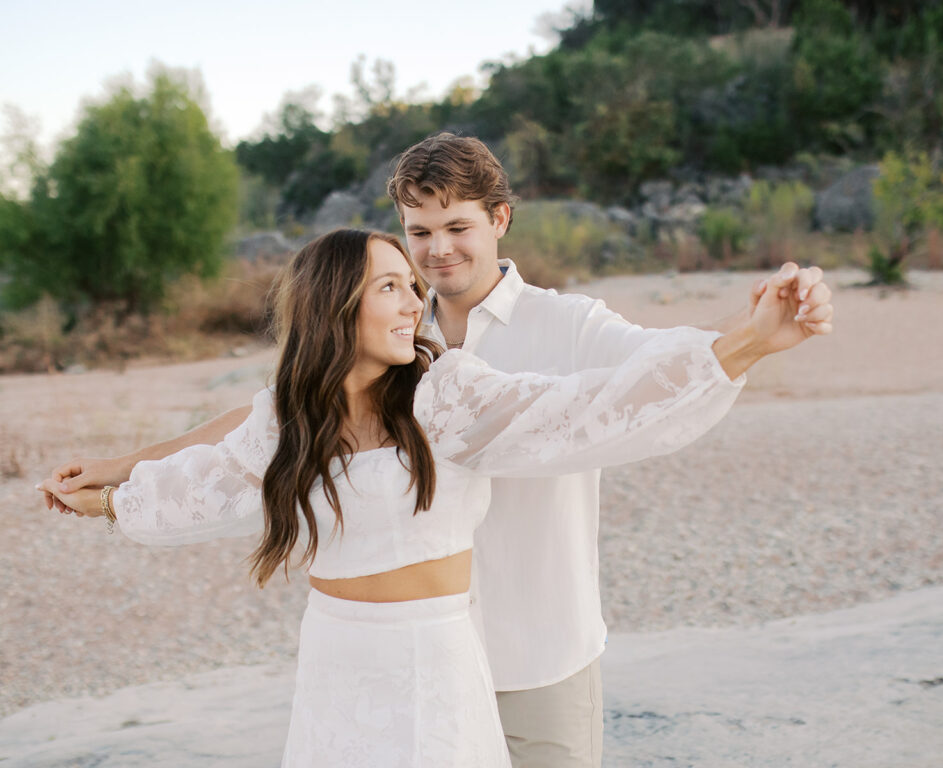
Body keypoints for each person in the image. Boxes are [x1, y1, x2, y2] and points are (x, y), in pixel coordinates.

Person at [43, 134, 834, 767]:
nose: (433, 257)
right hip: (355, 655)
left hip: (532, 641)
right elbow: (253, 435)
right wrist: (122, 476)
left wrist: (747, 340)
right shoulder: (399, 347)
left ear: (500, 219)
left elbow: (613, 396)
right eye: (417, 236)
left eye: (456, 228)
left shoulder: (547, 334)